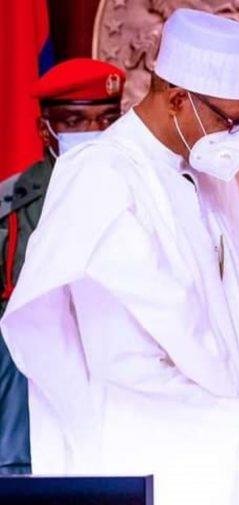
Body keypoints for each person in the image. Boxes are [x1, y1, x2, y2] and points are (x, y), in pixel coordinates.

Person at [0, 9, 239, 505]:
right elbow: (124, 361)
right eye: (232, 120)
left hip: (225, 449)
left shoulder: (205, 171)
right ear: (177, 99)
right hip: (148, 461)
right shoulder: (102, 181)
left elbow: (213, 315)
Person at [0, 58, 124, 475]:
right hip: (27, 400)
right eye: (74, 121)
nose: (93, 134)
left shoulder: (150, 191)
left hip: (125, 383)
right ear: (45, 129)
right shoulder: (10, 205)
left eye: (106, 120)